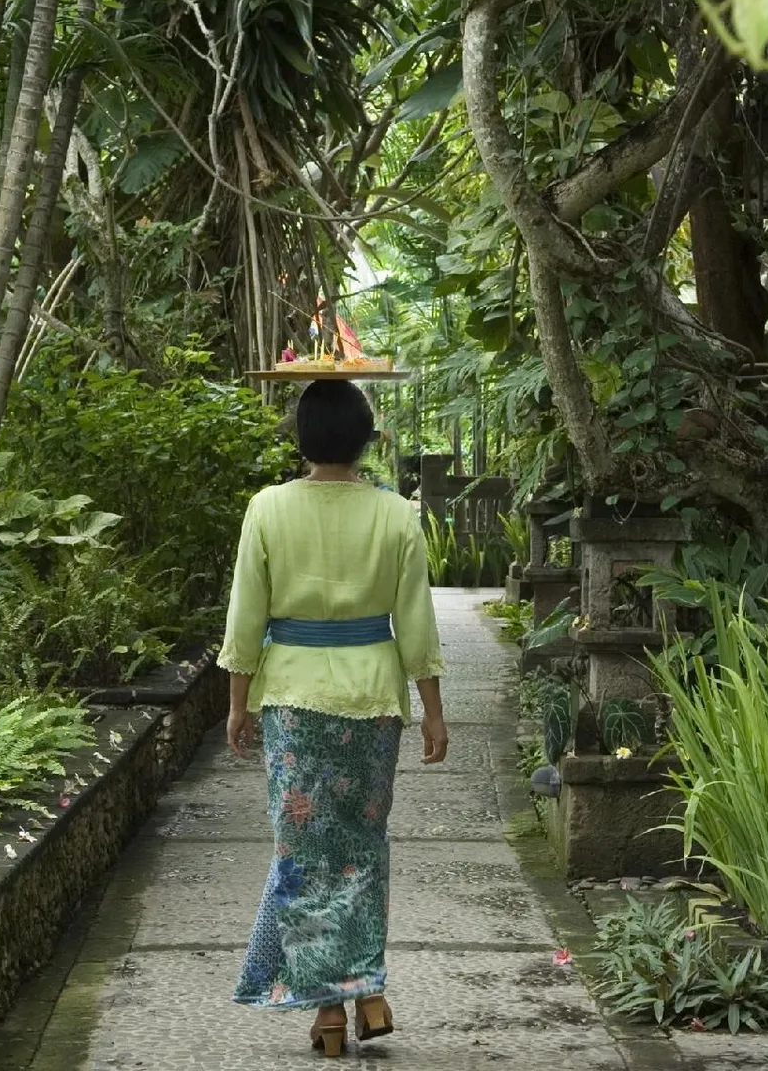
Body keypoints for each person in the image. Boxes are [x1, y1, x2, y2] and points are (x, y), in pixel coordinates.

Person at [219, 379, 448, 1058]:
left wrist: (237, 703)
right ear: (365, 439)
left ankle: (329, 1015)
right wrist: (434, 712)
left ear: (300, 438)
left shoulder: (266, 509)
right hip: (372, 702)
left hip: (291, 700)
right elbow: (416, 624)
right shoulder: (396, 516)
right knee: (361, 849)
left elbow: (245, 617)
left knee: (302, 857)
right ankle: (365, 992)